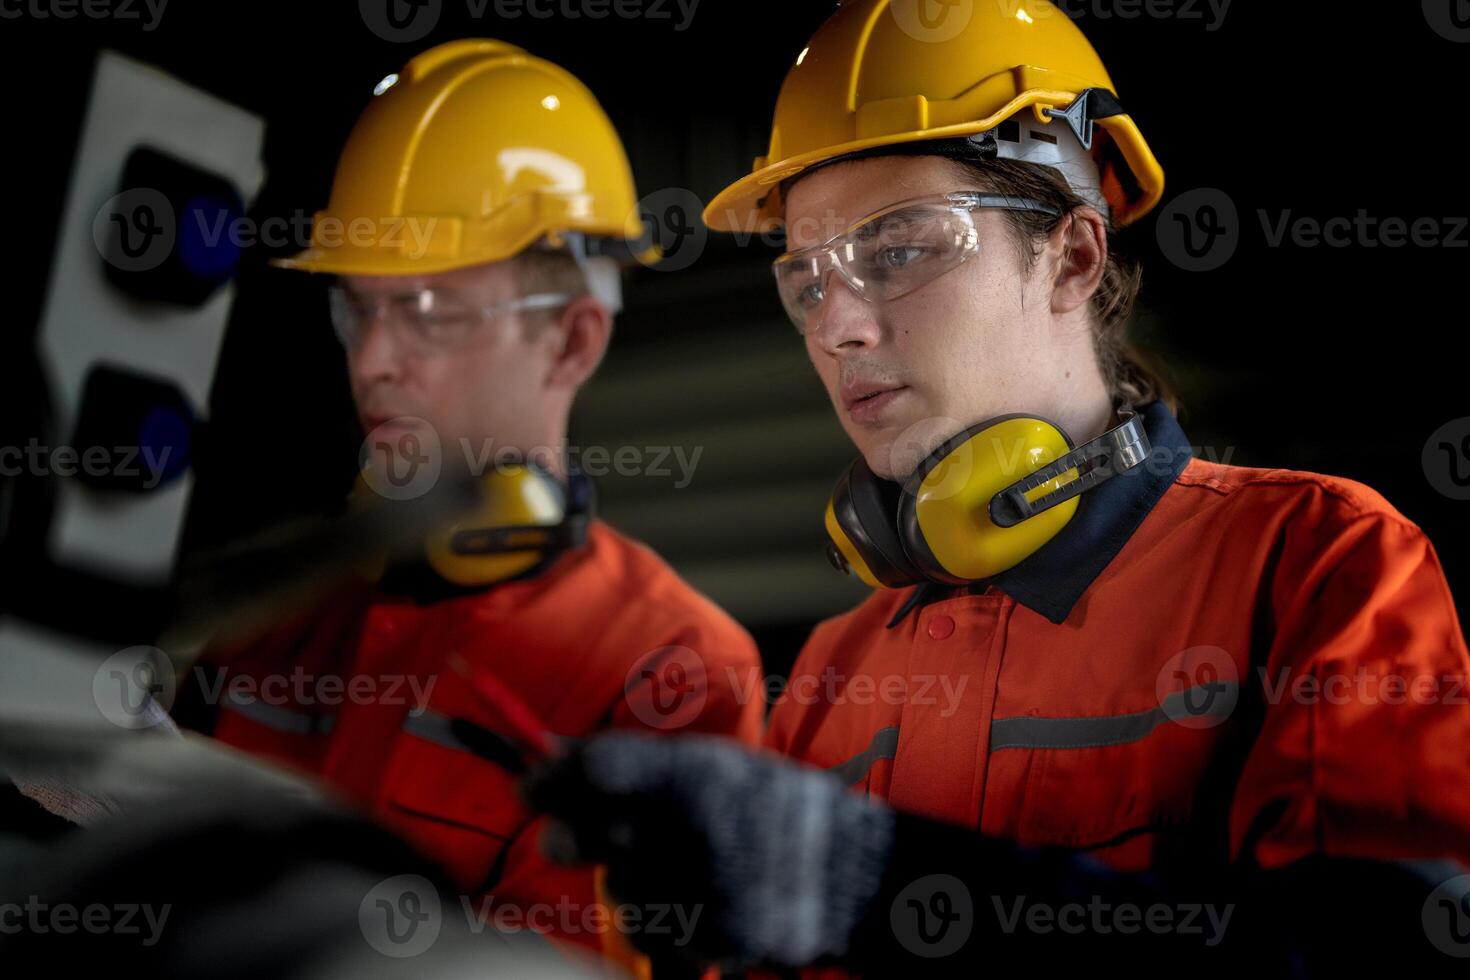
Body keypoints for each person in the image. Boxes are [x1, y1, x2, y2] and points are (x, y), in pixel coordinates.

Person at [525, 1, 1470, 972]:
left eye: (899, 249)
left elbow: (1389, 951)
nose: (837, 325)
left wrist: (877, 884)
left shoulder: (1315, 557)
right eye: (807, 280)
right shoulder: (832, 670)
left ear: (1071, 255)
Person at [178, 39, 764, 964]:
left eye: (429, 312)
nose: (372, 360)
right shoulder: (271, 617)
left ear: (572, 341)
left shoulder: (670, 672)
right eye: (358, 309)